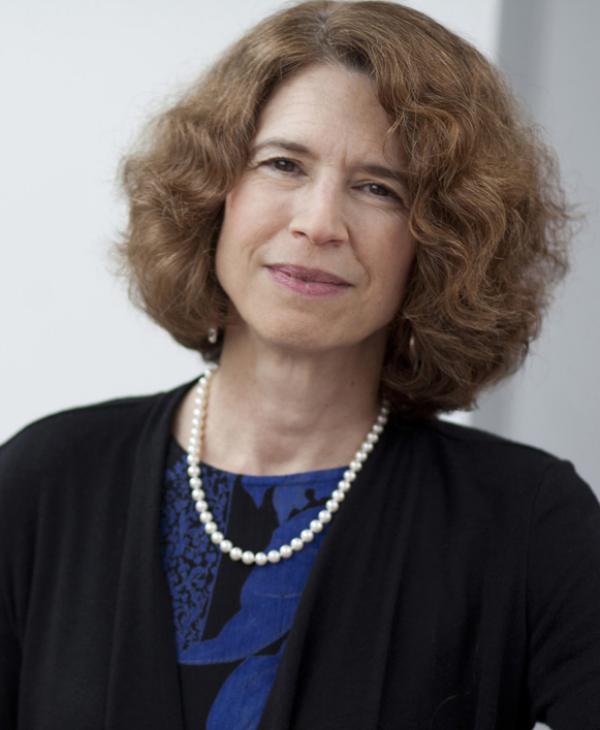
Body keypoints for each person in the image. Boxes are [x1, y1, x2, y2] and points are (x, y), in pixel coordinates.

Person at [1, 1, 599, 728]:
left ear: (445, 242)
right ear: (212, 191)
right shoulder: (44, 482)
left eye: (379, 188)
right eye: (283, 164)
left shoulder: (526, 521)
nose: (318, 223)